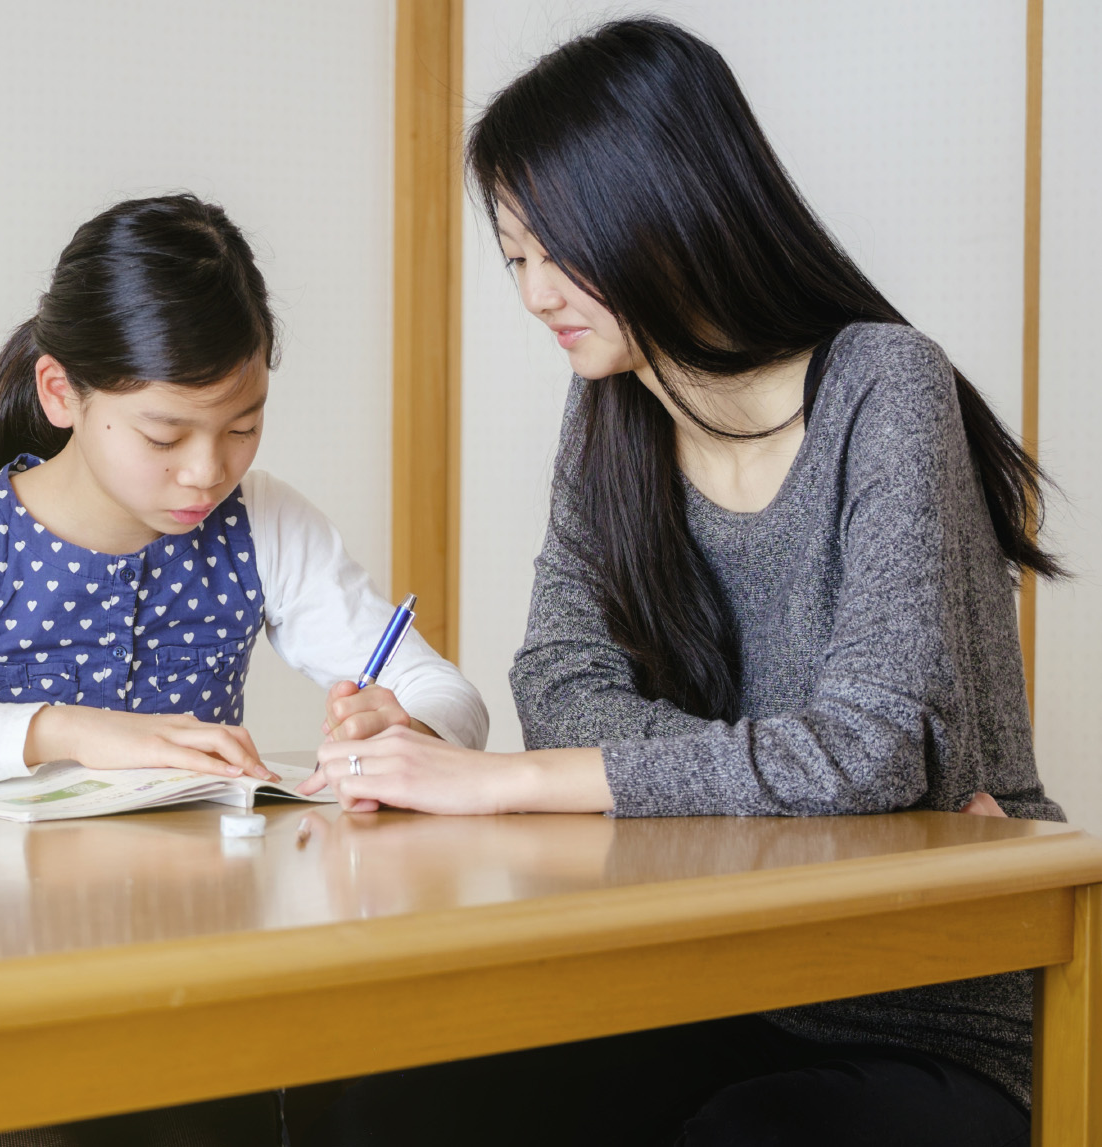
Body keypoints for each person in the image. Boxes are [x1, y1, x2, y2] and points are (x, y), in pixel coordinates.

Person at [302, 18, 1059, 1147]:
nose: (536, 293)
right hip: (703, 965)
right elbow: (557, 681)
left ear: (668, 204)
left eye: (560, 246)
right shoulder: (611, 405)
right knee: (378, 1097)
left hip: (925, 1004)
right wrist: (819, 788)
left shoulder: (885, 386)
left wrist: (502, 783)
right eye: (514, 256)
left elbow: (874, 743)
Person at [0, 194, 486, 800]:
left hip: (191, 917)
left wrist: (407, 730)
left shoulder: (263, 519)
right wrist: (68, 730)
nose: (208, 471)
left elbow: (448, 695)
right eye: (163, 437)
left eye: (243, 426)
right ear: (62, 392)